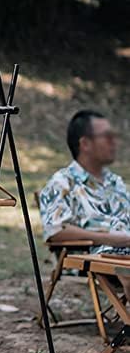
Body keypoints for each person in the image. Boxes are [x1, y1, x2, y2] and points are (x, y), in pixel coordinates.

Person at [39, 110, 130, 303]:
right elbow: (55, 230)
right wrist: (112, 239)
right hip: (93, 256)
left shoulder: (115, 182)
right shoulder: (63, 183)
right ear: (85, 144)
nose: (114, 141)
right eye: (107, 136)